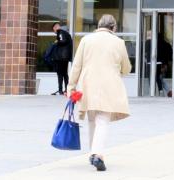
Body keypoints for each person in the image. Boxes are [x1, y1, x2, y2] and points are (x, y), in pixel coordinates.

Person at [66, 14, 132, 172]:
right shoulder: (119, 42)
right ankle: (97, 154)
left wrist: (71, 86)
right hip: (109, 85)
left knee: (92, 119)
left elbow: (76, 66)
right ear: (113, 27)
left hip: (88, 84)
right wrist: (118, 71)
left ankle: (93, 153)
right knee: (103, 119)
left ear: (99, 25)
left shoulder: (86, 40)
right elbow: (127, 67)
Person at [52, 22, 73, 95]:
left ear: (55, 27)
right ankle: (67, 90)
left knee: (60, 74)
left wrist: (57, 42)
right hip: (65, 57)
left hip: (60, 57)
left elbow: (63, 41)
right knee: (64, 74)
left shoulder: (60, 32)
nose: (55, 32)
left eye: (54, 30)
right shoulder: (67, 34)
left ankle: (60, 90)